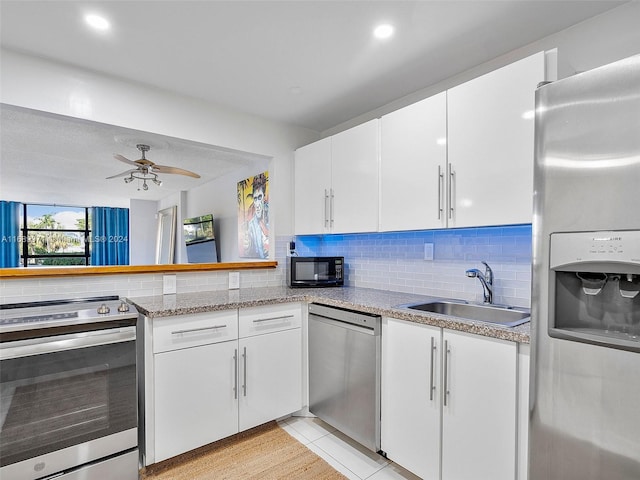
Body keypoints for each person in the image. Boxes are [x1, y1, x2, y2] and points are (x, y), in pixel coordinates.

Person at [244, 173, 269, 258]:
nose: (257, 204)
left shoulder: (271, 217)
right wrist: (247, 245)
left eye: (259, 197)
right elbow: (249, 250)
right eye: (255, 199)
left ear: (264, 197)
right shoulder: (252, 224)